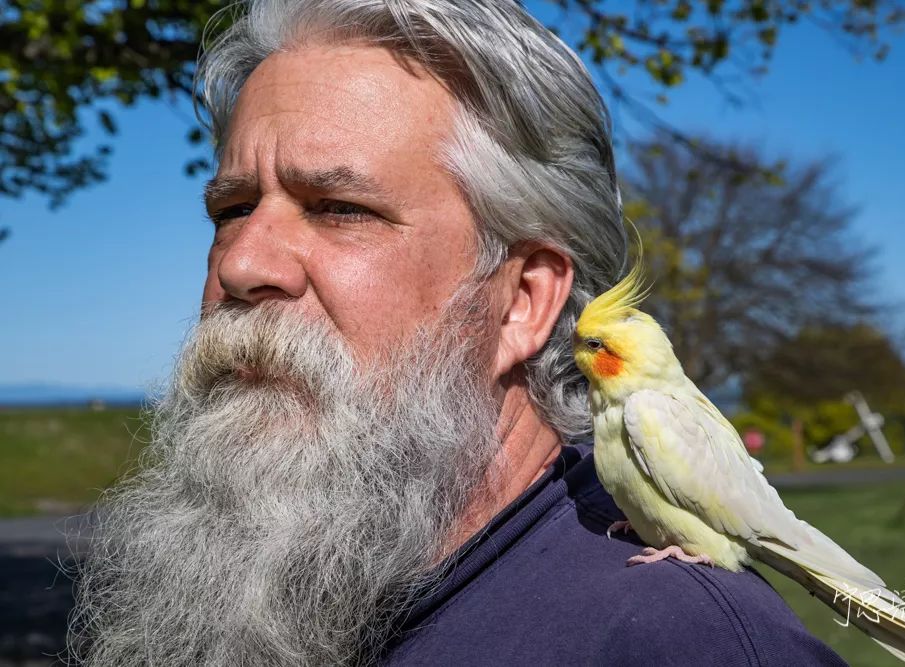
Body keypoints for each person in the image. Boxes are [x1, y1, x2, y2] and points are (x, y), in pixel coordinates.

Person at [69, 1, 846, 665]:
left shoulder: (678, 640)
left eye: (341, 208)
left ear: (522, 303)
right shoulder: (283, 594)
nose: (240, 263)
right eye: (232, 209)